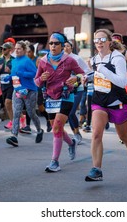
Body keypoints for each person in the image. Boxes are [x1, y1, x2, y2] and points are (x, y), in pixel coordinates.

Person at [84, 29, 127, 181]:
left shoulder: (118, 58)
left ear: (108, 41)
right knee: (96, 134)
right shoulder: (94, 59)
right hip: (99, 100)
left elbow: (121, 82)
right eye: (96, 40)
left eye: (102, 39)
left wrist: (103, 70)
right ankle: (97, 169)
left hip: (117, 100)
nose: (99, 42)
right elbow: (97, 76)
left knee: (123, 136)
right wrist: (85, 78)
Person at [34, 33, 84, 172]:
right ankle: (71, 143)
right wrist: (41, 79)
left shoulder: (69, 60)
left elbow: (82, 74)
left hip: (66, 96)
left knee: (56, 128)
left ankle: (54, 161)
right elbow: (36, 81)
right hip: (50, 98)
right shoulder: (43, 61)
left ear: (62, 46)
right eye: (51, 43)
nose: (53, 46)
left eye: (56, 43)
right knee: (58, 129)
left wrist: (76, 78)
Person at [5, 41, 44, 147]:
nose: (17, 50)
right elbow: (14, 74)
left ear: (24, 50)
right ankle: (14, 136)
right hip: (17, 90)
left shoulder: (27, 61)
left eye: (19, 49)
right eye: (16, 48)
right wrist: (8, 77)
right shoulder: (14, 61)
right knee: (16, 112)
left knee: (31, 113)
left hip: (30, 91)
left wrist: (23, 74)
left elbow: (35, 73)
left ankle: (39, 130)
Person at [64, 40, 91, 144]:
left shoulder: (77, 58)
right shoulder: (61, 59)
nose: (65, 48)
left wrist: (79, 78)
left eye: (67, 46)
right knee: (68, 113)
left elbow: (87, 71)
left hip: (77, 89)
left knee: (71, 112)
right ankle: (75, 133)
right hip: (65, 90)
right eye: (64, 46)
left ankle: (77, 134)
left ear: (71, 48)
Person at [0, 42, 15, 130]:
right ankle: (14, 120)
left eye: (4, 49)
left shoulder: (14, 60)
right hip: (3, 85)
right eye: (2, 49)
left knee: (8, 102)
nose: (3, 50)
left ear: (10, 50)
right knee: (8, 105)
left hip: (11, 84)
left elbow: (16, 72)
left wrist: (10, 71)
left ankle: (14, 122)